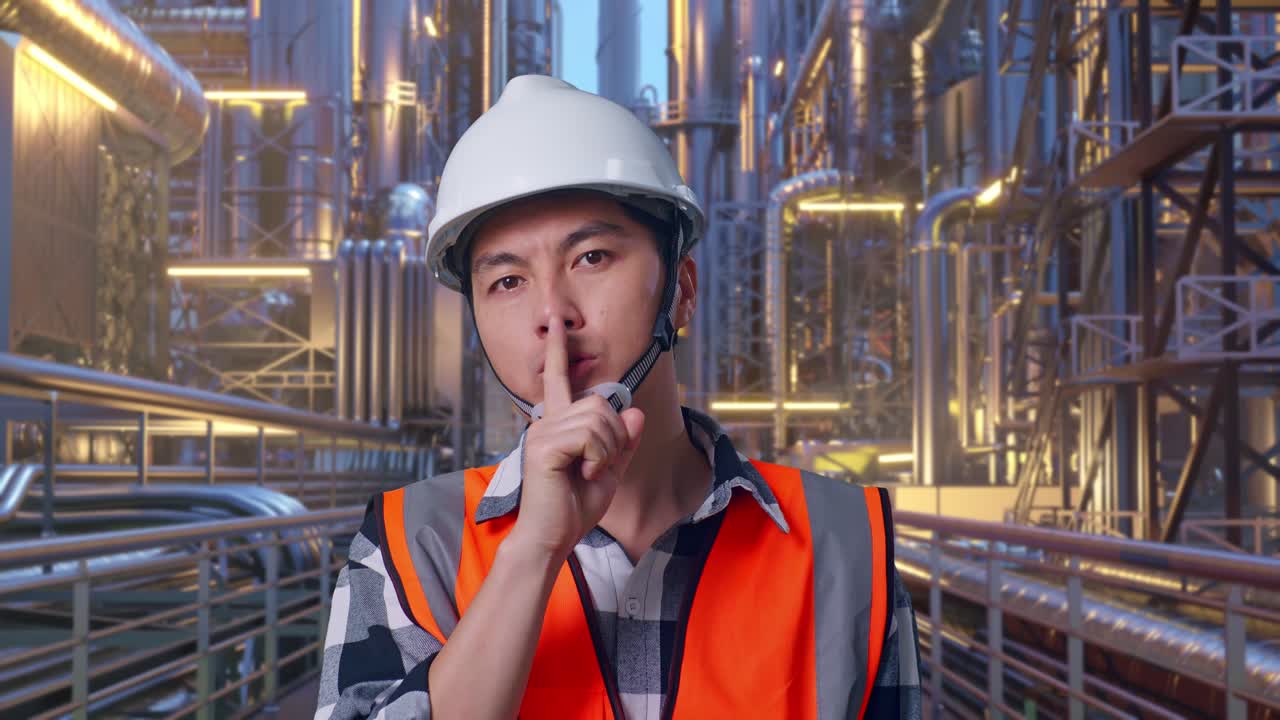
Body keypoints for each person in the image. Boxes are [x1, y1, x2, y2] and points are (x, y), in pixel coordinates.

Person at [315, 75, 921, 720]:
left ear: (681, 289)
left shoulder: (845, 543)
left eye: (593, 257)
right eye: (509, 280)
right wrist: (534, 550)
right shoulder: (413, 543)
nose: (552, 314)